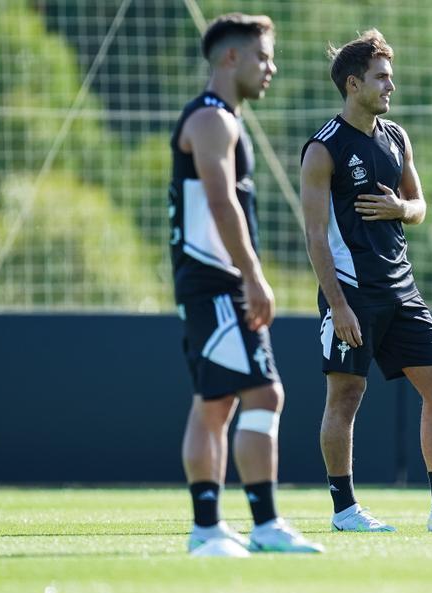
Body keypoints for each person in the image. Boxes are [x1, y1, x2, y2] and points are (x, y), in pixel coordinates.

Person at [300, 29, 432, 534]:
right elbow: (315, 236)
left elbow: (419, 205)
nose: (391, 86)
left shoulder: (397, 138)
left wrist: (401, 208)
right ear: (353, 84)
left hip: (402, 288)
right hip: (352, 292)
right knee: (344, 398)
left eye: (391, 77)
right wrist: (337, 304)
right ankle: (345, 511)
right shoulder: (323, 149)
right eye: (382, 77)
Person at [170, 13, 321, 556]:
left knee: (215, 404)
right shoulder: (213, 121)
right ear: (231, 58)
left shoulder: (220, 118)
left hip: (210, 282)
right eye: (263, 56)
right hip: (215, 282)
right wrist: (253, 275)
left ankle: (212, 528)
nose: (270, 68)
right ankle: (252, 526)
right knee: (263, 392)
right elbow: (219, 201)